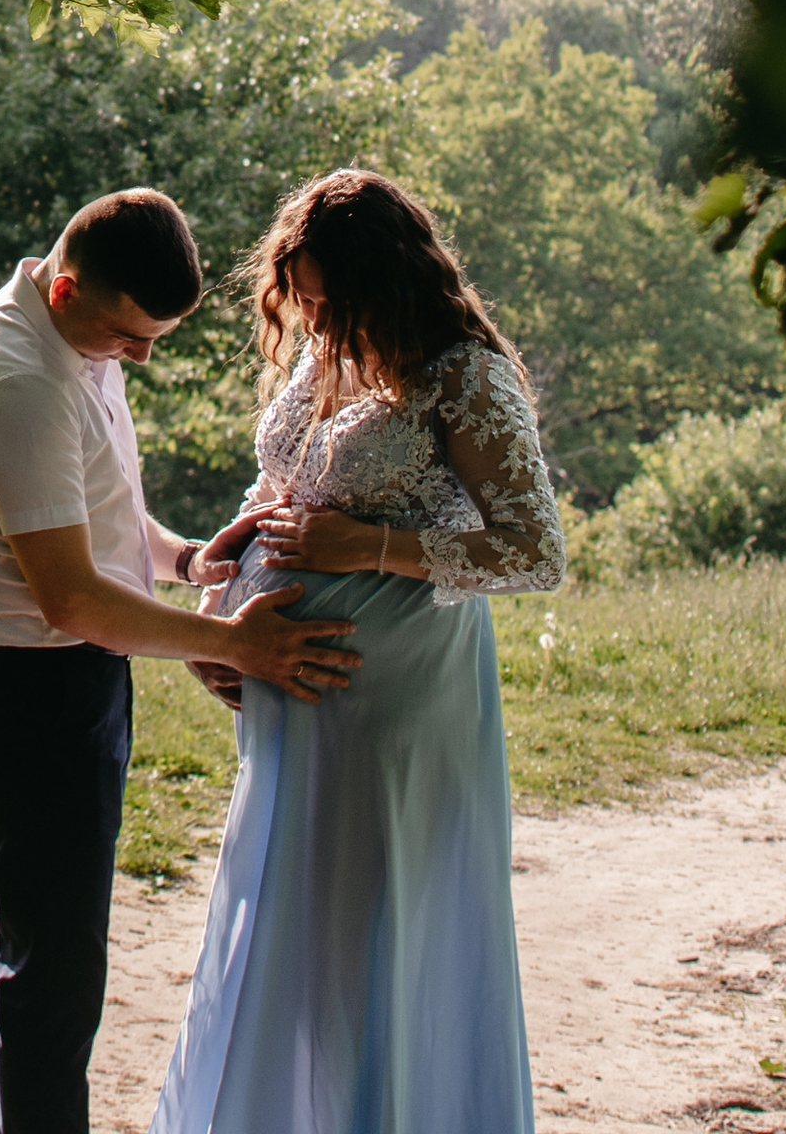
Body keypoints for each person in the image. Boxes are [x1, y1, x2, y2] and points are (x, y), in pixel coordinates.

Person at [0, 187, 360, 1134]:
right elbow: (72, 597)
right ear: (66, 287)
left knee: (3, 949)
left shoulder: (76, 341)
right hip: (33, 692)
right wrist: (235, 643)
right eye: (131, 335)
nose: (142, 356)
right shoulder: (17, 381)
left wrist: (187, 561)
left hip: (65, 681)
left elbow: (101, 519)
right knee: (54, 985)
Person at [151, 168, 565, 1134]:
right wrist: (221, 606)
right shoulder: (328, 350)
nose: (314, 318)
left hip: (400, 701)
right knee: (293, 924)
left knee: (374, 926)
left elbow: (535, 551)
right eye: (302, 297)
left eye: (331, 300)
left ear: (387, 279)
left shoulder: (465, 374)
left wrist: (371, 547)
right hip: (292, 695)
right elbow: (282, 483)